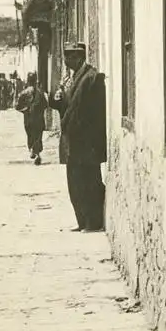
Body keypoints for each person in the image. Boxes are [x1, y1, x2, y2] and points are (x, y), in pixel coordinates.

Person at [55, 42, 107, 231]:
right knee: (75, 185)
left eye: (70, 57)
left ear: (79, 57)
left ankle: (93, 222)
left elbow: (92, 113)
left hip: (86, 143)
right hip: (74, 143)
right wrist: (58, 100)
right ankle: (82, 221)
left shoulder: (91, 78)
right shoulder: (75, 78)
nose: (67, 61)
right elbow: (69, 108)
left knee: (90, 183)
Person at [20, 75, 46, 164]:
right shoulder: (40, 93)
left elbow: (18, 106)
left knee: (30, 136)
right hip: (38, 119)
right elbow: (45, 105)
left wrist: (26, 110)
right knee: (38, 137)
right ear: (35, 81)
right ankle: (37, 153)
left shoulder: (24, 93)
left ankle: (33, 150)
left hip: (28, 119)